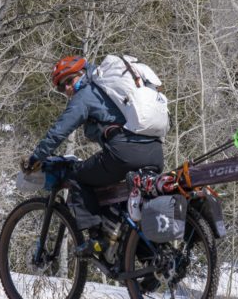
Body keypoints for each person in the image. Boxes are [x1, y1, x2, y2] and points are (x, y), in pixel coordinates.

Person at [22, 55, 164, 258]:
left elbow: (59, 131)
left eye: (69, 81)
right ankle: (149, 266)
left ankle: (98, 238)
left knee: (77, 176)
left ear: (82, 74)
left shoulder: (86, 95)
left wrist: (36, 158)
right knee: (127, 207)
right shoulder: (112, 92)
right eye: (62, 88)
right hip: (155, 154)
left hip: (124, 155)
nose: (67, 89)